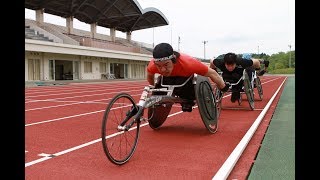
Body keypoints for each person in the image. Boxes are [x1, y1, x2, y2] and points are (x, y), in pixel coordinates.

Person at [147, 42, 230, 112]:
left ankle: (187, 101)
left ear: (174, 60)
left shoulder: (189, 64)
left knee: (188, 95)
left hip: (186, 83)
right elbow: (150, 75)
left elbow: (213, 73)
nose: (163, 69)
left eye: (166, 64)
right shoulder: (153, 65)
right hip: (166, 81)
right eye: (159, 66)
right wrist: (153, 87)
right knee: (158, 86)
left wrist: (223, 87)